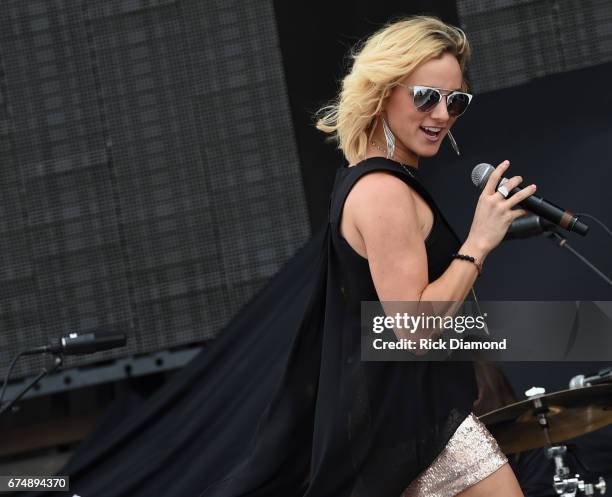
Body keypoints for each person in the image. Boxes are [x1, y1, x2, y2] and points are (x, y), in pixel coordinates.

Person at [315, 15, 537, 496]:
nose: (441, 114)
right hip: (413, 422)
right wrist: (478, 241)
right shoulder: (382, 191)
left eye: (455, 101)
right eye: (425, 97)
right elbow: (412, 329)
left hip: (406, 416)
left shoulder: (375, 182)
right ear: (383, 91)